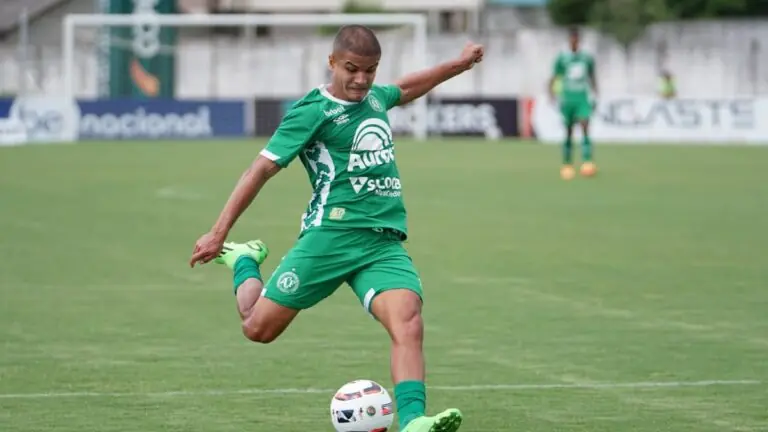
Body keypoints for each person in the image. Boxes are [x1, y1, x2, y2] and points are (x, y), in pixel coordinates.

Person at [189, 25, 483, 432]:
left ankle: (414, 421)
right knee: (257, 328)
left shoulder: (376, 98)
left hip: (381, 242)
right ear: (332, 63)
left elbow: (408, 86)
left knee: (408, 319)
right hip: (329, 237)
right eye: (352, 69)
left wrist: (460, 64)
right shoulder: (312, 112)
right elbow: (260, 170)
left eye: (370, 70)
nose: (361, 80)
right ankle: (244, 260)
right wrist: (219, 234)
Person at [548, 27, 599, 179]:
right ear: (569, 40)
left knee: (585, 126)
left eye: (576, 39)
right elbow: (554, 77)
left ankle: (587, 161)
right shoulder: (562, 58)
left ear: (579, 40)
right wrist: (551, 94)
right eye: (572, 39)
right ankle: (567, 163)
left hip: (582, 98)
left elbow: (592, 76)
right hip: (568, 98)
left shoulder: (586, 58)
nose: (574, 41)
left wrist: (596, 94)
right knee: (568, 131)